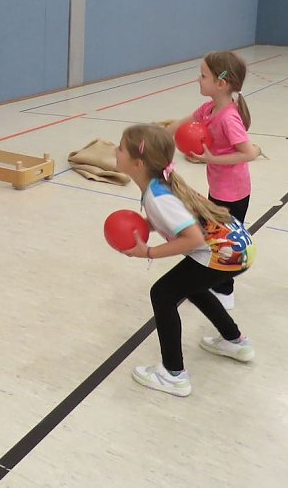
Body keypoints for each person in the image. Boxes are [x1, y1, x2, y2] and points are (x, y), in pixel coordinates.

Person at [115, 124, 255, 397]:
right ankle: (235, 341)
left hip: (223, 254)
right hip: (240, 247)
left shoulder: (157, 196)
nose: (114, 151)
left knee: (162, 293)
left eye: (120, 148)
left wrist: (149, 253)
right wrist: (149, 226)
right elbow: (182, 221)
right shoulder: (159, 184)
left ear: (138, 163)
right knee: (193, 287)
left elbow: (192, 238)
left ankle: (173, 374)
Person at [165, 51, 258, 310]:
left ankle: (224, 291)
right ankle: (218, 282)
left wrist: (211, 159)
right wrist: (159, 135)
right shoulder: (209, 108)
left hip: (234, 193)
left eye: (203, 75)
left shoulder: (228, 117)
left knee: (224, 240)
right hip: (219, 188)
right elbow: (185, 122)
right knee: (216, 236)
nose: (198, 79)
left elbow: (248, 152)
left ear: (221, 83)